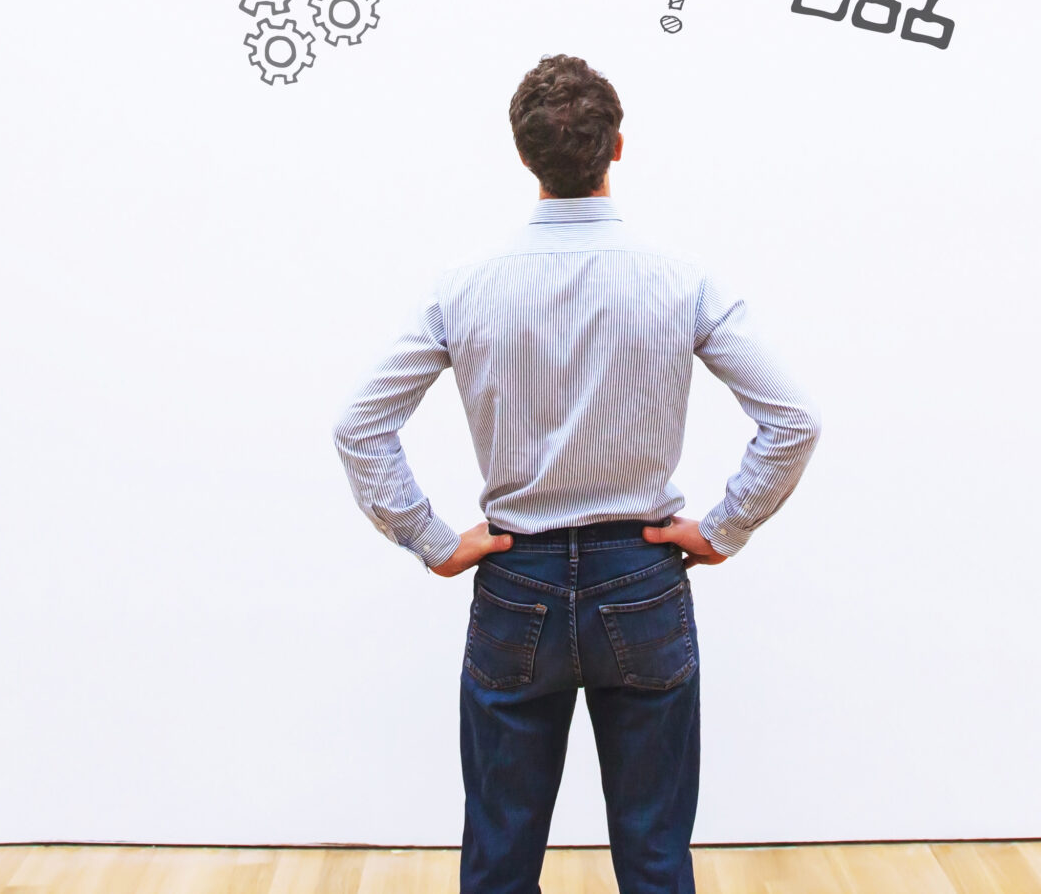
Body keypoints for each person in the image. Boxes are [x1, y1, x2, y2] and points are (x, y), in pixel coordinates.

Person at [333, 54, 820, 894]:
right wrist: (725, 527)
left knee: (499, 854)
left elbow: (359, 425)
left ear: (523, 156)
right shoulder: (680, 280)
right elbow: (793, 419)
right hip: (642, 575)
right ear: (617, 147)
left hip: (515, 578)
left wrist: (434, 541)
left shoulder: (466, 287)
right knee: (656, 854)